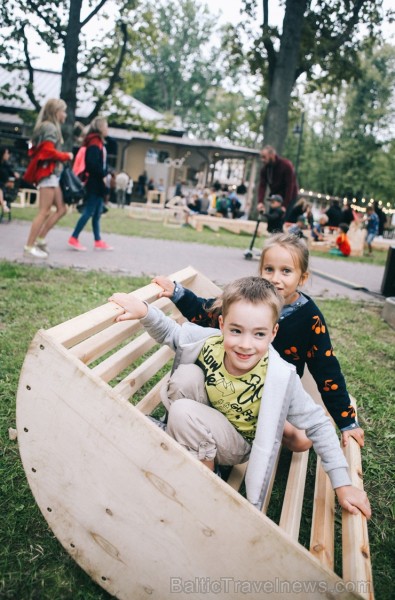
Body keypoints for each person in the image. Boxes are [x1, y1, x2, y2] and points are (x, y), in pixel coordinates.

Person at [108, 277, 371, 518]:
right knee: (187, 375)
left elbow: (318, 423)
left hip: (236, 442)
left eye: (259, 334)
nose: (246, 344)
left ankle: (208, 482)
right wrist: (143, 310)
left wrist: (344, 484)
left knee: (182, 411)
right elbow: (173, 333)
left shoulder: (279, 376)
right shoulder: (210, 342)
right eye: (236, 331)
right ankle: (190, 446)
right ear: (222, 324)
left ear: (273, 333)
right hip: (210, 419)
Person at [152, 233, 365, 449]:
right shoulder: (250, 300)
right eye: (269, 269)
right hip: (228, 387)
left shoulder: (310, 319)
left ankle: (259, 433)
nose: (275, 278)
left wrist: (347, 421)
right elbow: (208, 312)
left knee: (302, 441)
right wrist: (178, 293)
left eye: (286, 271)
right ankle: (194, 431)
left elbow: (326, 370)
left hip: (266, 398)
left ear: (302, 278)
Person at [22, 99, 73, 258]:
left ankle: (40, 239)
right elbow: (47, 151)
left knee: (61, 208)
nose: (65, 114)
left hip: (51, 174)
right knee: (44, 211)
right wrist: (66, 155)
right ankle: (30, 246)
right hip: (48, 173)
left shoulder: (44, 126)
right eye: (63, 111)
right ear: (56, 112)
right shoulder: (50, 127)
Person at [68, 117, 113, 252]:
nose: (107, 128)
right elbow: (92, 164)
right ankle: (74, 237)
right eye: (106, 126)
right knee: (88, 211)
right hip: (95, 182)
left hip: (97, 182)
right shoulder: (94, 142)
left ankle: (98, 240)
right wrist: (104, 173)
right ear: (100, 127)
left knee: (97, 213)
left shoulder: (97, 142)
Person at [257, 145, 298, 220]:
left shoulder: (286, 166)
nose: (262, 160)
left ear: (272, 155)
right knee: (271, 221)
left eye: (264, 157)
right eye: (261, 157)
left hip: (288, 196)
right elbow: (262, 186)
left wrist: (284, 206)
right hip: (275, 197)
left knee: (280, 221)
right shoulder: (265, 170)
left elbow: (290, 187)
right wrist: (260, 201)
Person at [0, 147, 18, 215]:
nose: (8, 155)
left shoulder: (6, 165)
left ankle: (3, 204)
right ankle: (3, 204)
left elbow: (14, 176)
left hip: (5, 189)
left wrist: (14, 174)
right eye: (7, 153)